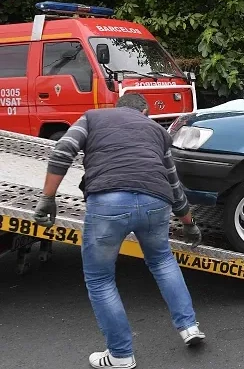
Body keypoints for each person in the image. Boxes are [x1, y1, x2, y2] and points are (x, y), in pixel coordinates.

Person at [33, 94, 205, 369]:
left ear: (117, 108)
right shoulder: (158, 131)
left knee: (100, 278)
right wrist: (188, 222)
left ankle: (121, 355)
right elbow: (173, 182)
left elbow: (63, 150)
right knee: (162, 261)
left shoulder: (92, 117)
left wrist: (47, 198)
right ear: (145, 112)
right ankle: (189, 328)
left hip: (108, 202)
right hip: (155, 201)